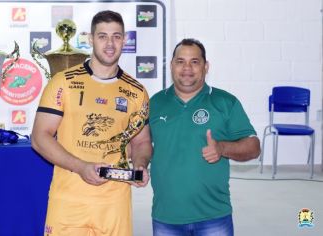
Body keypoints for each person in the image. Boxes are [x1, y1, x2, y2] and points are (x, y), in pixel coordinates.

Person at [31, 10, 152, 236]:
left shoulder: (136, 92)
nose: (110, 43)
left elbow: (143, 142)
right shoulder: (63, 82)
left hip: (114, 204)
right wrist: (81, 167)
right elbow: (39, 138)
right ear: (90, 39)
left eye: (116, 36)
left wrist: (140, 164)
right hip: (69, 201)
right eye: (102, 36)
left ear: (124, 40)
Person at [149, 38, 261, 236]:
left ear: (205, 66)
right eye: (180, 61)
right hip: (166, 217)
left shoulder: (225, 102)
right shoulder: (155, 103)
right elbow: (141, 145)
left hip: (214, 216)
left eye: (194, 61)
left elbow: (253, 147)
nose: (187, 68)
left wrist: (222, 148)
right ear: (171, 65)